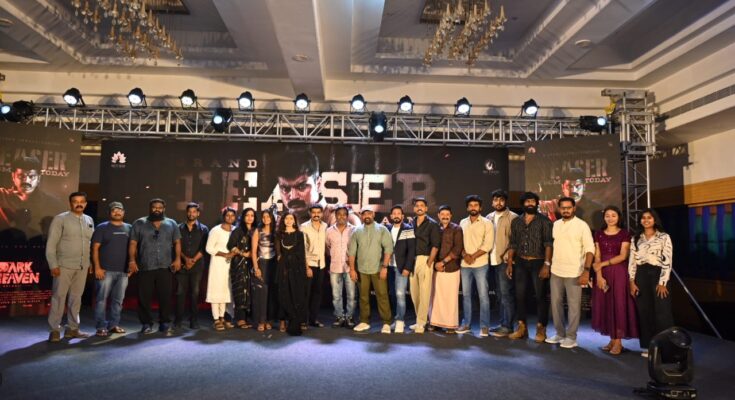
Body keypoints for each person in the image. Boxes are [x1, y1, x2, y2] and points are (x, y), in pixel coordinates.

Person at [545, 197, 594, 349]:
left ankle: (572, 337)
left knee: (574, 306)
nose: (565, 210)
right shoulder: (555, 225)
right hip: (556, 271)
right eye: (563, 208)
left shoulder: (582, 225)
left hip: (575, 272)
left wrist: (586, 271)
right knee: (555, 304)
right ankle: (560, 334)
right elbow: (551, 246)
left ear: (574, 208)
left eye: (568, 207)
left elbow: (590, 250)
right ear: (559, 209)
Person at [45, 191, 94, 342]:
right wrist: (53, 264)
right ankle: (54, 330)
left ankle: (72, 329)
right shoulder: (60, 219)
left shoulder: (89, 220)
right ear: (70, 203)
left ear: (85, 203)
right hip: (63, 266)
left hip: (82, 266)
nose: (79, 204)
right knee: (59, 298)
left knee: (76, 298)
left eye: (81, 201)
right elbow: (51, 244)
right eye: (75, 201)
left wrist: (89, 262)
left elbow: (89, 243)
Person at [129, 198, 182, 335]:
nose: (157, 209)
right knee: (144, 297)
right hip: (145, 266)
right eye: (154, 207)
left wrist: (177, 259)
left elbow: (177, 242)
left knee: (165, 296)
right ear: (150, 208)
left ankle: (164, 323)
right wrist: (132, 261)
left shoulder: (171, 223)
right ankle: (146, 324)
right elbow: (133, 243)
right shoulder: (139, 223)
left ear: (164, 209)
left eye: (160, 207)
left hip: (165, 266)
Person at [507, 191, 553, 342]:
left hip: (539, 262)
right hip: (520, 262)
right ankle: (522, 328)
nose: (530, 204)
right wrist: (509, 263)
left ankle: (541, 329)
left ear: (537, 203)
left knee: (540, 296)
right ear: (523, 204)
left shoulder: (545, 221)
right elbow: (513, 243)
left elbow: (548, 244)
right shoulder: (516, 222)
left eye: (533, 201)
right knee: (519, 296)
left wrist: (547, 264)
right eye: (527, 202)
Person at [591, 206, 638, 355]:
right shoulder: (598, 234)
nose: (610, 218)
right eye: (607, 215)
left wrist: (602, 264)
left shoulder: (625, 233)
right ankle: (612, 339)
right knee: (606, 305)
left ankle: (618, 342)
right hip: (602, 272)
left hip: (619, 272)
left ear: (619, 217)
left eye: (613, 215)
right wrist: (599, 275)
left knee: (618, 305)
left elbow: (623, 256)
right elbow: (597, 255)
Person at [272, 149, 361, 226]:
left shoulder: (343, 219)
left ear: (318, 184)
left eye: (301, 186)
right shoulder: (279, 224)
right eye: (285, 189)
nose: (293, 196)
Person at [629, 208, 674, 358]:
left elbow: (667, 260)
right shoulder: (636, 238)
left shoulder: (664, 237)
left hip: (658, 275)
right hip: (641, 275)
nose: (646, 220)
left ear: (655, 220)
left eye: (649, 217)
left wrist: (663, 282)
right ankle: (649, 347)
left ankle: (666, 349)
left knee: (662, 313)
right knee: (645, 312)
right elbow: (632, 261)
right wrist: (632, 281)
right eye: (643, 218)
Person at [349, 207, 394, 334]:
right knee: (363, 297)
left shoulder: (382, 229)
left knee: (382, 296)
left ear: (373, 214)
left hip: (378, 269)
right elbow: (352, 252)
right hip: (361, 270)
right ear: (361, 216)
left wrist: (385, 267)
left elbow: (388, 249)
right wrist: (352, 269)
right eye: (364, 214)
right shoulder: (356, 231)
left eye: (369, 213)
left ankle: (386, 323)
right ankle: (364, 321)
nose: (367, 216)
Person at [92, 201, 132, 337]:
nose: (117, 212)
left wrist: (131, 265)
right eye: (114, 210)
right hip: (105, 271)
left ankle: (113, 325)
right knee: (101, 300)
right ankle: (101, 326)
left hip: (123, 271)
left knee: (118, 301)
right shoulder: (102, 227)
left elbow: (133, 249)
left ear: (124, 212)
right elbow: (95, 248)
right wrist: (97, 267)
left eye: (120, 210)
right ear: (110, 212)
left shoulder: (129, 228)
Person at [0, 155, 64, 237]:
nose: (26, 180)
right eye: (21, 176)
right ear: (13, 176)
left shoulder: (53, 203)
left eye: (31, 176)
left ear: (39, 178)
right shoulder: (2, 196)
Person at [458, 195, 494, 337]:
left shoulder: (487, 223)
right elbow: (459, 243)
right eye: (471, 205)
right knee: (466, 295)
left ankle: (484, 326)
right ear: (467, 208)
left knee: (483, 296)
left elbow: (488, 244)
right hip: (464, 264)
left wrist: (472, 256)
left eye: (476, 205)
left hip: (481, 265)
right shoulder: (462, 222)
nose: (473, 207)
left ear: (480, 207)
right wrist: (464, 255)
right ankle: (466, 324)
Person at [486, 189, 518, 338]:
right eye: (496, 200)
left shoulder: (513, 217)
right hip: (490, 261)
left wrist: (507, 257)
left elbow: (514, 241)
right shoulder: (488, 217)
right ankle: (502, 323)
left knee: (506, 294)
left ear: (505, 202)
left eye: (501, 200)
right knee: (499, 295)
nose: (498, 203)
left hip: (504, 261)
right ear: (492, 202)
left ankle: (508, 326)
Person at [430, 205, 463, 333]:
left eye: (447, 214)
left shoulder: (456, 229)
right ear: (438, 215)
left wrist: (443, 262)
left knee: (450, 298)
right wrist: (435, 264)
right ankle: (435, 323)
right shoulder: (435, 228)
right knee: (436, 297)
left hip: (451, 268)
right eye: (442, 214)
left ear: (451, 216)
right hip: (436, 268)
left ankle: (450, 325)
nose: (445, 216)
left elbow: (457, 249)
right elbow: (431, 246)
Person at [410, 197, 441, 334]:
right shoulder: (411, 223)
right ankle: (419, 319)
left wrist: (429, 262)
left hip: (425, 259)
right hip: (412, 261)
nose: (419, 207)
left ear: (426, 208)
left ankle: (422, 323)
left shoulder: (432, 224)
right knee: (414, 293)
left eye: (422, 205)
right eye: (417, 205)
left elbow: (436, 245)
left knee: (424, 293)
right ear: (414, 208)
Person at [176, 202, 209, 330]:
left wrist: (193, 260)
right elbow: (176, 246)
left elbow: (204, 248)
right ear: (186, 212)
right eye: (189, 211)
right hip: (182, 265)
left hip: (197, 266)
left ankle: (193, 320)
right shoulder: (179, 228)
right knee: (180, 292)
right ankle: (178, 320)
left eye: (194, 211)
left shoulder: (204, 229)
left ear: (198, 213)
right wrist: (185, 259)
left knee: (195, 293)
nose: (191, 214)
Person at [275, 211, 308, 335]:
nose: (289, 221)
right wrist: (283, 260)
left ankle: (296, 321)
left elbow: (301, 253)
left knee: (296, 294)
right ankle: (282, 321)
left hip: (296, 268)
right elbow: (278, 253)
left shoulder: (299, 234)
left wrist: (301, 268)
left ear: (294, 221)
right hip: (283, 268)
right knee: (283, 294)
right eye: (286, 218)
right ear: (283, 221)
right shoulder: (279, 234)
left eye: (291, 218)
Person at [384, 205, 415, 334]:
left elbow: (412, 250)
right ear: (391, 216)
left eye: (398, 213)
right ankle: (396, 319)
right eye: (394, 213)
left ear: (402, 216)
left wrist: (408, 267)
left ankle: (401, 321)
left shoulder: (408, 229)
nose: (396, 215)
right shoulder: (387, 229)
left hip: (401, 267)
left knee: (400, 294)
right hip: (389, 267)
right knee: (393, 294)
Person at [206, 208, 237, 331]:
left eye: (232, 215)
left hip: (230, 265)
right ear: (223, 216)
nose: (230, 217)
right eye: (227, 215)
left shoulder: (235, 230)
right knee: (216, 290)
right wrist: (225, 255)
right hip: (217, 264)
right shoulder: (215, 230)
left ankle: (222, 317)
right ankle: (216, 319)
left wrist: (233, 253)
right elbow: (209, 248)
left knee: (225, 290)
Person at [326, 205, 357, 328]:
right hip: (335, 267)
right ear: (335, 216)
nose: (341, 217)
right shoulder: (329, 231)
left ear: (347, 216)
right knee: (336, 295)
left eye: (344, 214)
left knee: (351, 295)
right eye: (339, 214)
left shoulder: (354, 230)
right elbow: (328, 247)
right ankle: (339, 316)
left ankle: (349, 317)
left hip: (350, 268)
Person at [227, 208, 257, 329]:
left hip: (252, 264)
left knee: (250, 290)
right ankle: (240, 319)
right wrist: (243, 253)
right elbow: (230, 245)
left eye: (252, 215)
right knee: (240, 290)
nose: (250, 218)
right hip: (239, 264)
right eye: (247, 215)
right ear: (243, 217)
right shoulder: (238, 230)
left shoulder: (256, 230)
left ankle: (248, 318)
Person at [301, 204, 327, 328]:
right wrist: (306, 267)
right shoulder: (304, 227)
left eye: (318, 212)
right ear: (310, 213)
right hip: (309, 265)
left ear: (322, 213)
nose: (316, 214)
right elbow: (302, 249)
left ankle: (314, 319)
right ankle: (303, 320)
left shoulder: (325, 226)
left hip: (321, 265)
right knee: (306, 293)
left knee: (317, 293)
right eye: (314, 212)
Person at [251, 208, 277, 332]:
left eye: (268, 216)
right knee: (262, 293)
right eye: (264, 217)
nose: (266, 219)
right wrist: (256, 267)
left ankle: (269, 320)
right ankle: (261, 320)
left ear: (272, 218)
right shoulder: (258, 231)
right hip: (262, 263)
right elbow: (253, 252)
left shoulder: (276, 231)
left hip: (274, 263)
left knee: (272, 293)